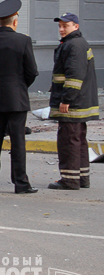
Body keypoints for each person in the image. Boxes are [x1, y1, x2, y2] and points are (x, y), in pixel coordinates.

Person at [0, 0, 39, 194]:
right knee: (18, 142)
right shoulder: (23, 41)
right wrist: (19, 86)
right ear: (15, 21)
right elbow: (32, 71)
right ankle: (20, 183)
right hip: (17, 99)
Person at [48, 12, 99, 190]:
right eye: (60, 26)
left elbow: (74, 75)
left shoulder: (74, 44)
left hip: (73, 104)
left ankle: (70, 179)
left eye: (65, 26)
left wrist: (66, 99)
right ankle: (81, 177)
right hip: (80, 102)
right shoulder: (77, 43)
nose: (61, 29)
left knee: (69, 140)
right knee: (78, 140)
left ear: (75, 26)